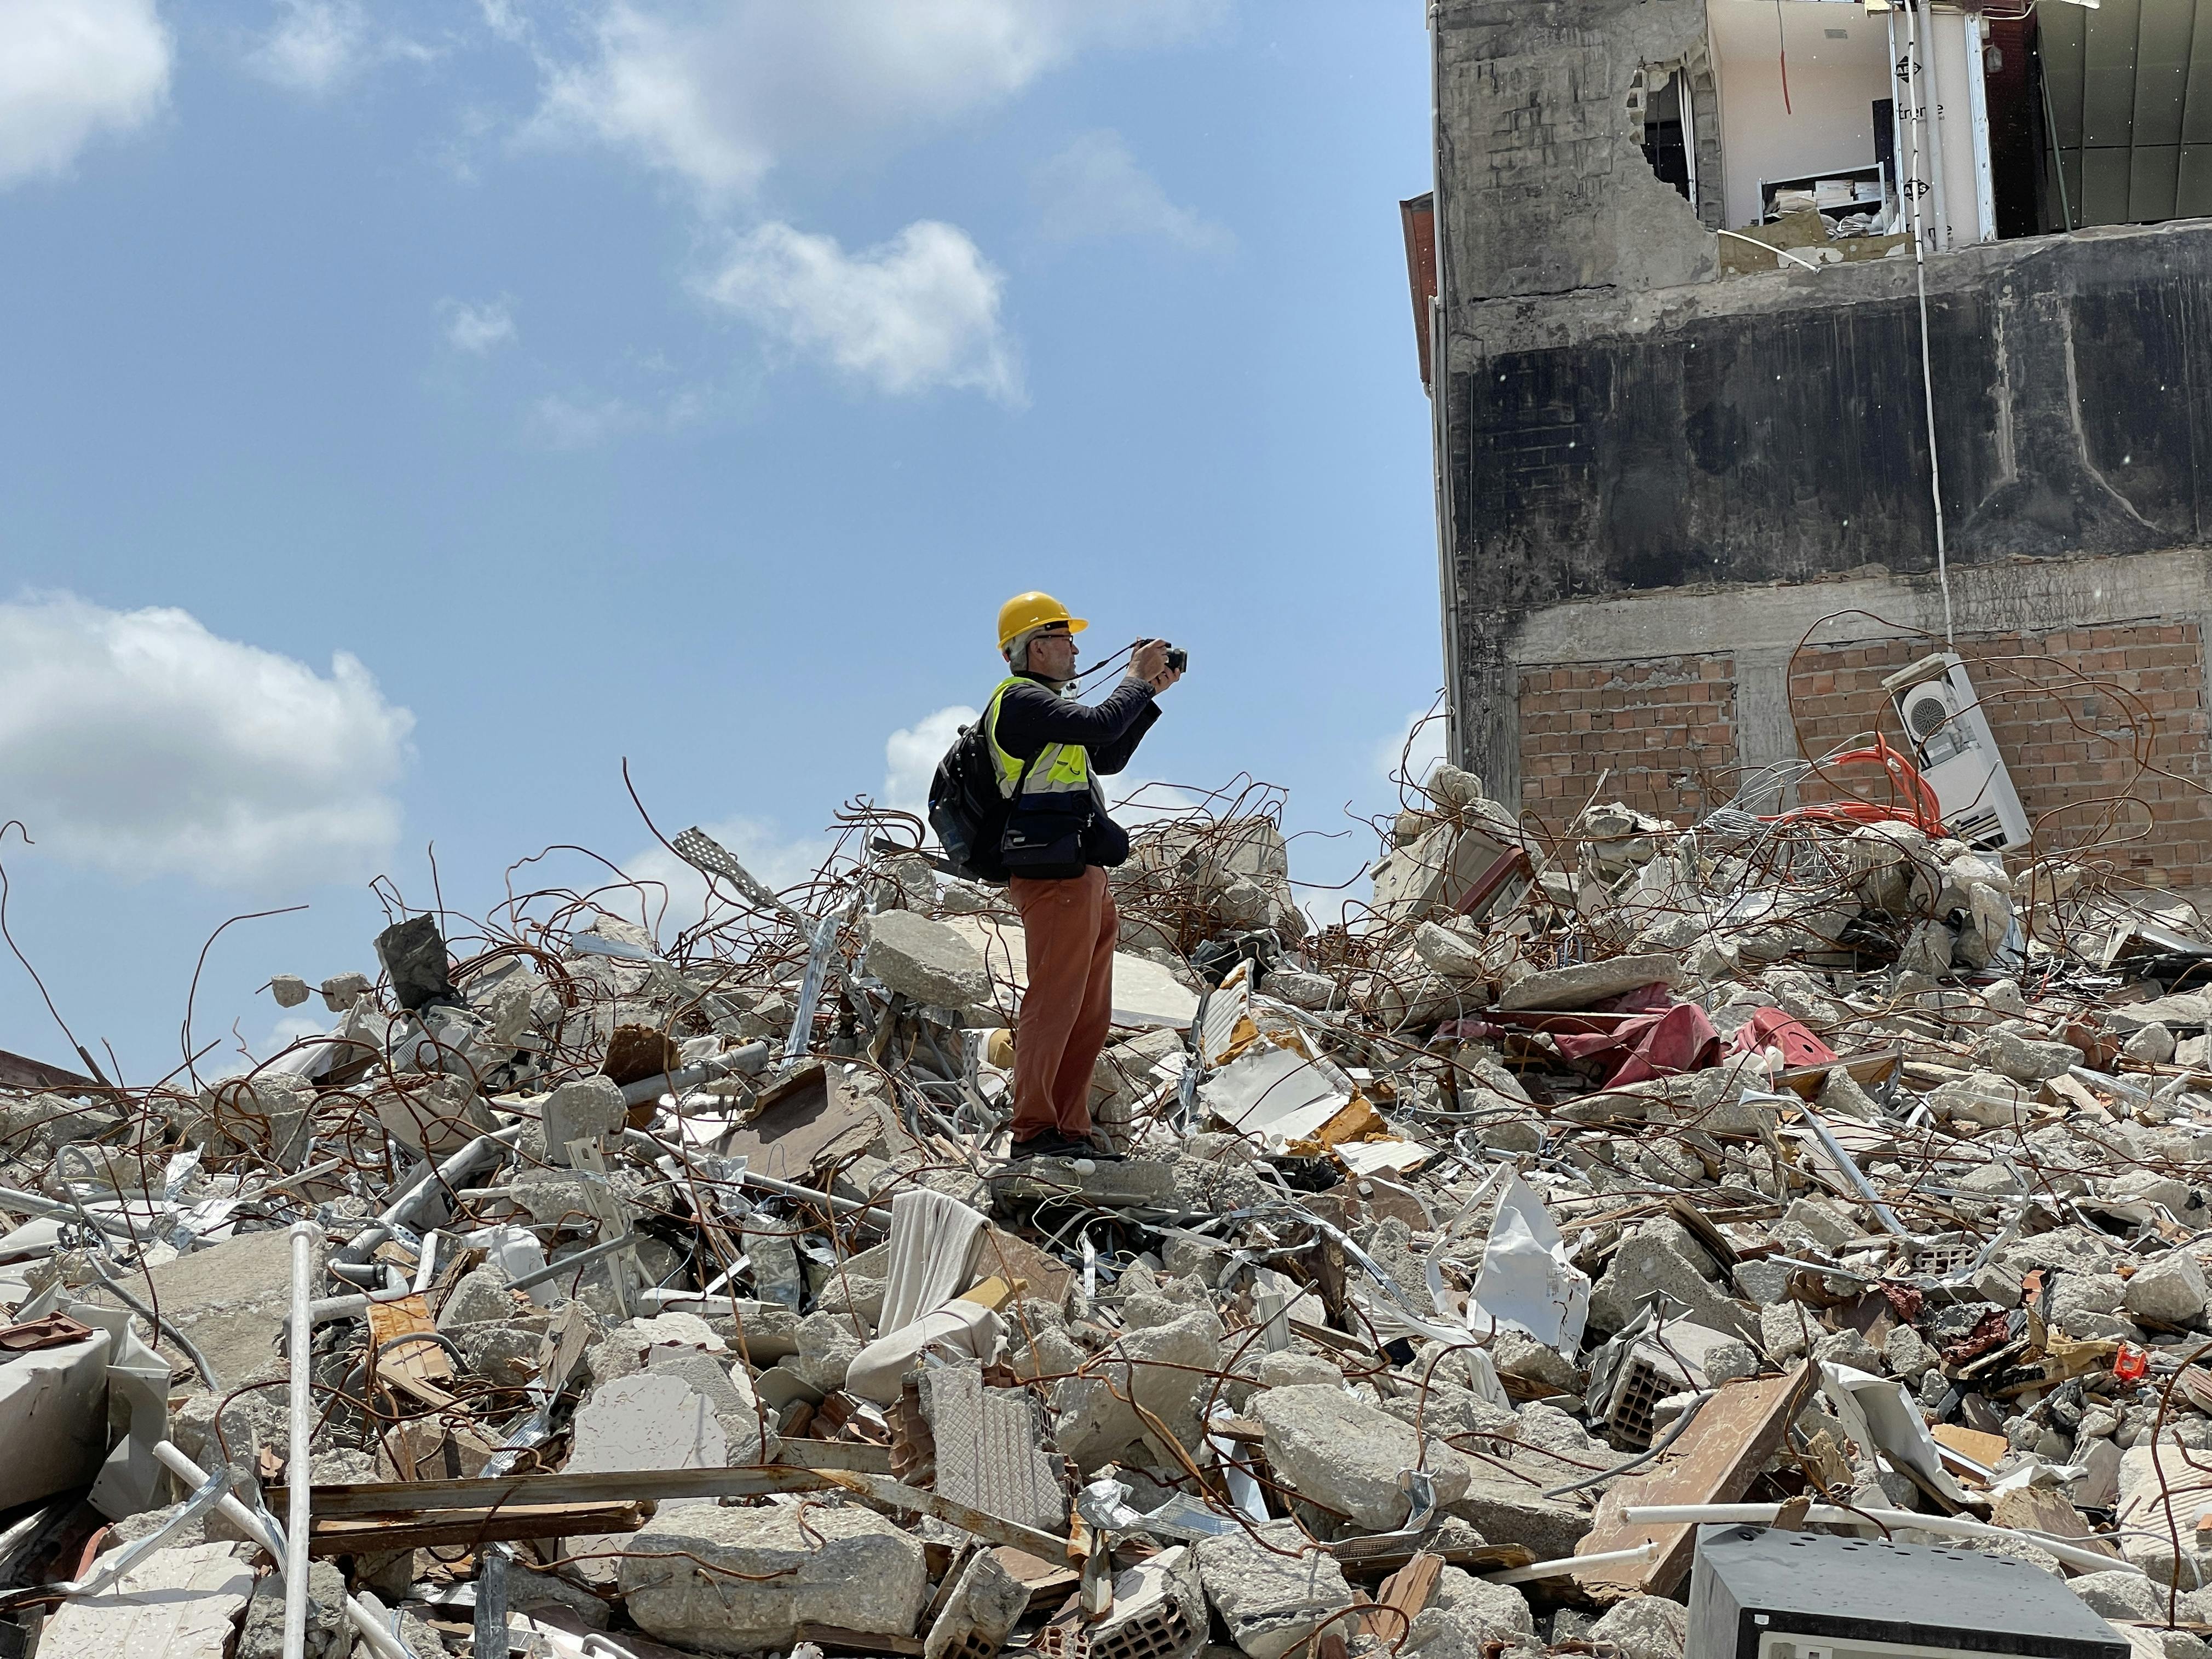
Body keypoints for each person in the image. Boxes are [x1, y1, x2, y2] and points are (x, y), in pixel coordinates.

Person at [985, 591, 1182, 1160]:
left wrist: (1148, 696)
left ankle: (1068, 1130)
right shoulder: (1019, 702)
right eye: (1064, 638)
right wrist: (1134, 681)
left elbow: (1106, 755)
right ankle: (1033, 1131)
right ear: (1036, 647)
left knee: (1087, 1012)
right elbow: (1099, 723)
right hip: (1052, 878)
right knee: (1054, 1003)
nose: (1074, 649)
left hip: (1080, 874)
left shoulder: (1048, 709)